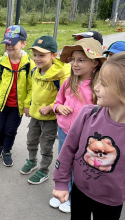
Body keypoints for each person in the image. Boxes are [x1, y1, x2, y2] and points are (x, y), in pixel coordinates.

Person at [53, 51, 125, 220]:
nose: (96, 87)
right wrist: (61, 182)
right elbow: (68, 149)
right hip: (80, 191)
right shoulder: (88, 114)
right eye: (98, 81)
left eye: (104, 84)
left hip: (111, 201)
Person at [49, 38, 106, 213]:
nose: (75, 64)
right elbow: (56, 102)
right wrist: (59, 107)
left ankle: (74, 197)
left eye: (81, 60)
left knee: (80, 167)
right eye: (73, 59)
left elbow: (103, 113)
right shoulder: (68, 82)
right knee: (63, 161)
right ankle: (63, 192)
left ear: (95, 63)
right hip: (64, 131)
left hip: (85, 137)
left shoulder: (98, 88)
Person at [20, 35, 70, 184]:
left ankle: (43, 170)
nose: (37, 58)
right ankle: (32, 161)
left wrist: (50, 107)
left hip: (50, 119)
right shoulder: (36, 70)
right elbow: (33, 90)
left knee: (46, 145)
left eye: (42, 55)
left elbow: (65, 97)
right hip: (35, 116)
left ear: (54, 55)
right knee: (31, 140)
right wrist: (28, 105)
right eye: (35, 55)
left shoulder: (59, 75)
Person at [0, 25, 35, 167]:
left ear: (23, 44)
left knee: (10, 130)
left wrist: (27, 104)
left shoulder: (29, 65)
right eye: (6, 43)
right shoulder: (1, 62)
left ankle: (7, 150)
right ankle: (0, 145)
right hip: (2, 104)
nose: (9, 46)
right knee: (0, 128)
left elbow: (32, 87)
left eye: (13, 43)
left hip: (17, 106)